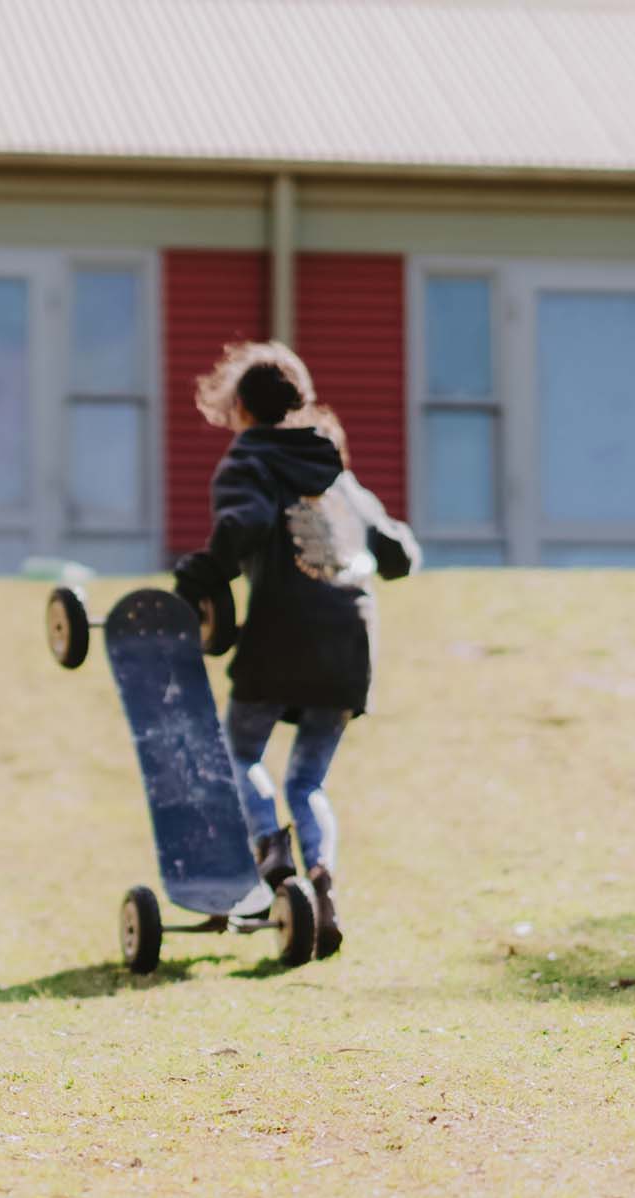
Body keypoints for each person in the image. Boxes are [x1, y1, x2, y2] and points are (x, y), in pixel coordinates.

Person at [176, 342, 419, 957]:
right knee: (308, 781)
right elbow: (396, 553)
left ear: (241, 408)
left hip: (283, 633)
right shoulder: (333, 466)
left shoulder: (249, 458)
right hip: (350, 641)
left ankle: (274, 861)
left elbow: (243, 526)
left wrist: (196, 580)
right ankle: (321, 885)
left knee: (237, 754)